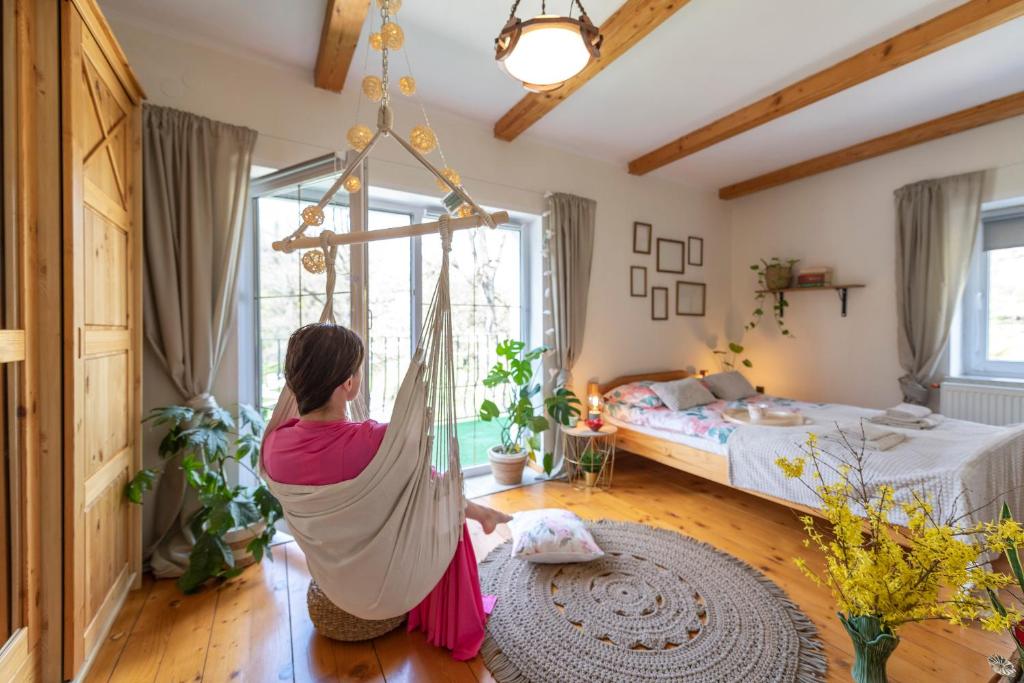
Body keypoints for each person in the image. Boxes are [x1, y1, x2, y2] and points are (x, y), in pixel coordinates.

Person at [262, 322, 511, 660]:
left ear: (293, 383)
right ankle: (479, 517)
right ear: (348, 384)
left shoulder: (274, 447)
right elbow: (431, 486)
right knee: (442, 511)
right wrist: (469, 507)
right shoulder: (377, 441)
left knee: (430, 498)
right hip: (388, 577)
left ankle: (479, 513)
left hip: (332, 571)